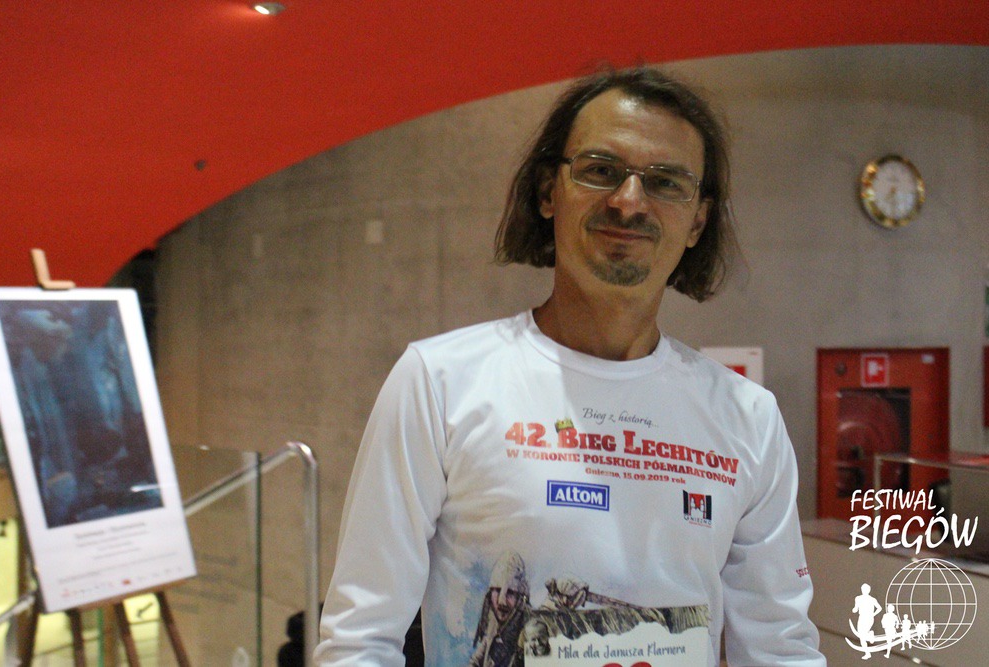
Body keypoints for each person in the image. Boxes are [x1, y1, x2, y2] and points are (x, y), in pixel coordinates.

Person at [315, 66, 824, 666]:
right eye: (600, 170)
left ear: (697, 221)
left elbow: (779, 648)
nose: (629, 201)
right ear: (548, 192)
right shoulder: (439, 383)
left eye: (665, 182)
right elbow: (359, 642)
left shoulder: (748, 419)